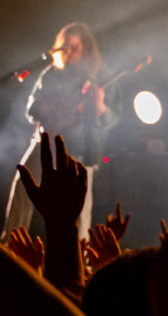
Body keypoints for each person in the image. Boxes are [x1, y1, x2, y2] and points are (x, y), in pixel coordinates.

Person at [7, 22, 110, 236]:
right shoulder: (50, 73)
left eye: (75, 47)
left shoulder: (95, 77)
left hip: (79, 147)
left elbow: (107, 117)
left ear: (85, 49)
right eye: (66, 47)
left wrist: (97, 105)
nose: (70, 52)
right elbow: (31, 109)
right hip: (46, 141)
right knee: (23, 184)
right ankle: (11, 243)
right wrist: (47, 108)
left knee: (80, 205)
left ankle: (80, 256)